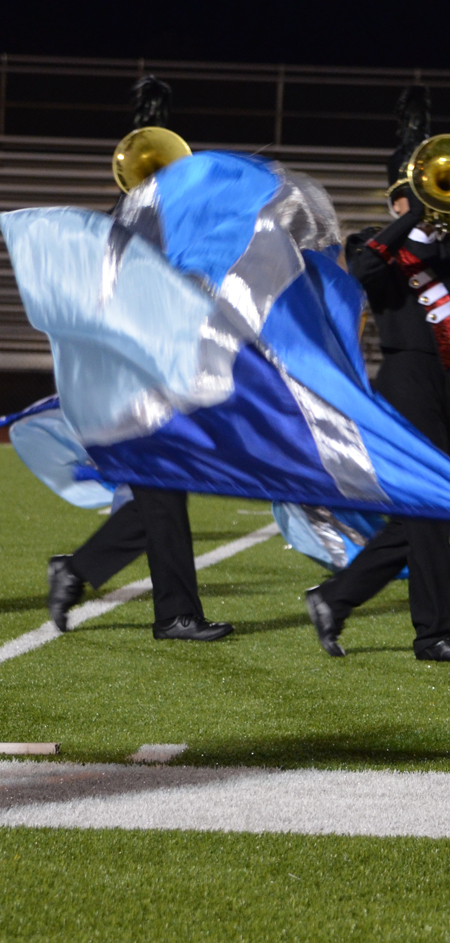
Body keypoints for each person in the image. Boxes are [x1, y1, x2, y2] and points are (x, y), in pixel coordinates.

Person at [304, 87, 450, 663]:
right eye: (409, 197)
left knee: (420, 516)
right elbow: (362, 269)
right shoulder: (376, 246)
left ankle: (335, 599)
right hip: (404, 380)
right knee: (434, 506)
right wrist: (417, 209)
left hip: (439, 383)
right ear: (397, 201)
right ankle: (434, 634)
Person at [47, 76, 233, 644]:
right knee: (163, 493)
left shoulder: (135, 223)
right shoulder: (129, 226)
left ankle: (81, 571)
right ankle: (171, 613)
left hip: (155, 370)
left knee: (163, 492)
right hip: (137, 375)